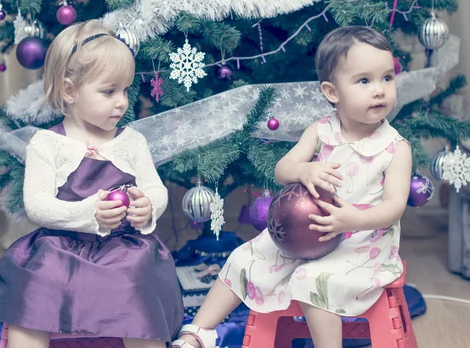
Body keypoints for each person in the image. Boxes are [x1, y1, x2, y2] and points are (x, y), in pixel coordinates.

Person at [172, 26, 412, 348]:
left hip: (362, 244)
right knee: (247, 256)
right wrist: (305, 169)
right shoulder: (321, 130)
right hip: (304, 233)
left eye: (387, 78)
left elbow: (394, 207)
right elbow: (282, 169)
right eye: (364, 81)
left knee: (311, 279)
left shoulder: (395, 147)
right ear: (332, 92)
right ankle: (198, 331)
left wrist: (353, 219)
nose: (380, 90)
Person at [0, 19, 183, 348]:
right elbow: (37, 204)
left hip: (123, 247)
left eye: (125, 90)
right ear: (69, 90)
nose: (121, 102)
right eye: (109, 91)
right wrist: (88, 213)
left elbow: (155, 188)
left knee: (135, 281)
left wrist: (148, 207)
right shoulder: (47, 144)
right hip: (61, 244)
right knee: (34, 283)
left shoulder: (131, 142)